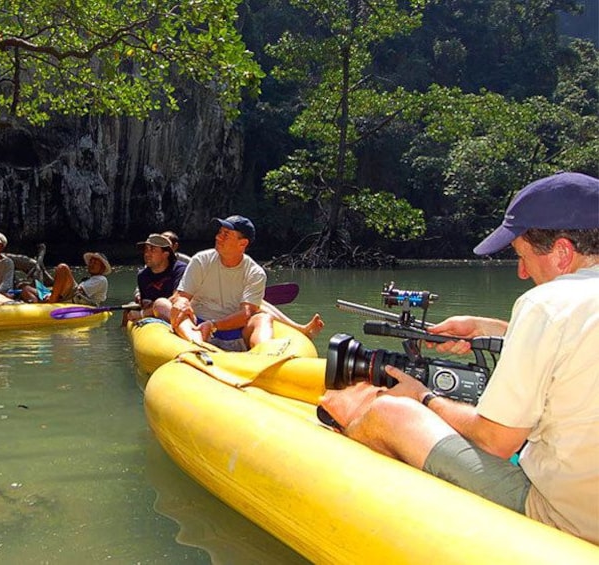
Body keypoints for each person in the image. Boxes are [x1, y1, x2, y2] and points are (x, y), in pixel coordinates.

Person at [318, 172, 599, 545]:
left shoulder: (546, 304)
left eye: (522, 257)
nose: (520, 272)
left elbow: (496, 441)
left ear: (563, 252)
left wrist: (424, 397)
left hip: (568, 519)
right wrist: (495, 328)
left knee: (391, 413)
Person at [165, 215, 323, 351]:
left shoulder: (255, 273)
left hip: (234, 331)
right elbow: (182, 296)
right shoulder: (201, 260)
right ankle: (197, 348)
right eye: (219, 232)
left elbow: (246, 314)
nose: (218, 237)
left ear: (243, 244)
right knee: (170, 307)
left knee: (263, 318)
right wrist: (181, 301)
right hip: (196, 325)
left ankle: (264, 356)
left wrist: (213, 325)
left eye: (226, 234)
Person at [125, 233, 187, 322]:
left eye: (153, 250)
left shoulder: (180, 270)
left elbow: (176, 299)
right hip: (153, 317)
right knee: (129, 309)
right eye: (146, 249)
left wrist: (143, 314)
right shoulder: (142, 276)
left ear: (165, 254)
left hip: (173, 312)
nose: (147, 254)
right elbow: (145, 303)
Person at [20, 251, 111, 306]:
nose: (91, 264)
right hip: (70, 296)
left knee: (62, 268)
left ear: (102, 268)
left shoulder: (101, 279)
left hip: (81, 301)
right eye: (91, 262)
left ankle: (51, 301)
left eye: (95, 263)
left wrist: (54, 292)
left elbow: (80, 291)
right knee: (26, 289)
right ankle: (39, 306)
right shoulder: (89, 279)